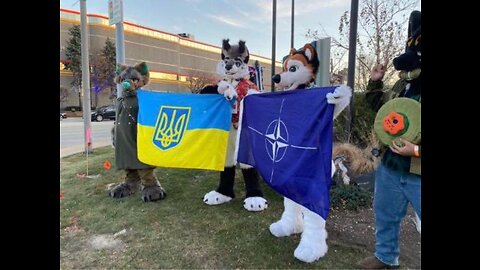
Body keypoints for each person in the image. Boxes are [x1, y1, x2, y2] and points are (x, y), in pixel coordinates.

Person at [358, 10, 421, 269]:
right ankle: (385, 256)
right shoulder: (400, 87)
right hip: (391, 167)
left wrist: (416, 150)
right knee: (385, 214)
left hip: (418, 173)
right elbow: (380, 112)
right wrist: (375, 83)